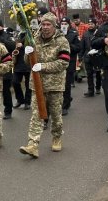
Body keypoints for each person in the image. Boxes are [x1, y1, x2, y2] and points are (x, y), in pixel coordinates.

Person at [19, 12, 71, 158]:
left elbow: (64, 62)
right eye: (43, 24)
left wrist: (43, 66)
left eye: (49, 24)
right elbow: (26, 61)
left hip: (55, 85)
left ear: (54, 26)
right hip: (37, 84)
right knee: (36, 115)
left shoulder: (62, 41)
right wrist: (27, 52)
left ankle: (56, 136)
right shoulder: (34, 39)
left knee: (55, 115)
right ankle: (33, 144)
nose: (45, 27)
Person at [0, 19, 16, 120]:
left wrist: (0, 40)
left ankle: (8, 111)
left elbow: (12, 46)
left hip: (5, 66)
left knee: (6, 91)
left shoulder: (7, 36)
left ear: (1, 26)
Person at [60, 16, 80, 115]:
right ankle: (66, 99)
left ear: (69, 25)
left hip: (69, 62)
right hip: (58, 63)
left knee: (66, 85)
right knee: (60, 85)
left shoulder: (74, 34)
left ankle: (65, 106)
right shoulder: (57, 34)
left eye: (65, 24)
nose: (63, 26)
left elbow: (78, 48)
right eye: (62, 24)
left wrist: (67, 44)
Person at [78, 17, 102, 97]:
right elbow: (82, 46)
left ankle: (98, 87)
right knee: (89, 74)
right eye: (89, 24)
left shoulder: (99, 33)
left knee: (98, 73)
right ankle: (90, 90)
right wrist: (80, 56)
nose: (90, 25)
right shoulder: (85, 34)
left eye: (92, 24)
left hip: (97, 56)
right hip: (88, 56)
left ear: (96, 24)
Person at [12, 32, 32, 110]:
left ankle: (27, 102)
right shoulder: (19, 35)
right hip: (18, 64)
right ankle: (20, 100)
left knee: (28, 85)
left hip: (28, 64)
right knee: (15, 82)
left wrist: (22, 46)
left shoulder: (30, 35)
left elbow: (33, 47)